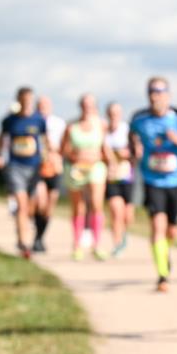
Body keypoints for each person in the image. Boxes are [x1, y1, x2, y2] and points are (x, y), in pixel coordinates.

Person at [130, 77, 177, 292]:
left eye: (160, 91)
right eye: (151, 91)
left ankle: (164, 253)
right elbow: (131, 140)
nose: (155, 95)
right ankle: (162, 275)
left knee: (173, 231)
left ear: (168, 94)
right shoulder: (139, 119)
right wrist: (135, 149)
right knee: (157, 226)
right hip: (152, 180)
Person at [0, 87, 49, 259]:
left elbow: (45, 142)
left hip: (34, 167)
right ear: (18, 100)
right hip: (15, 166)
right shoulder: (9, 121)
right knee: (22, 204)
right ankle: (23, 242)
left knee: (33, 207)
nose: (26, 104)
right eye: (23, 100)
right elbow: (1, 140)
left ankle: (24, 232)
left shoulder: (39, 120)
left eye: (29, 100)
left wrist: (49, 157)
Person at [61, 93, 112, 261]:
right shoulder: (71, 127)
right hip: (76, 168)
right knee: (78, 206)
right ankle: (77, 244)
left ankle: (96, 244)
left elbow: (105, 147)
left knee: (96, 203)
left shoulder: (101, 125)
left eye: (90, 104)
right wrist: (75, 155)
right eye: (84, 104)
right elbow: (63, 150)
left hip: (95, 167)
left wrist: (112, 163)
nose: (87, 107)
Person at [34, 95, 65, 252]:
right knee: (41, 202)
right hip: (37, 168)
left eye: (45, 105)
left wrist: (55, 149)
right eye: (39, 105)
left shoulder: (58, 124)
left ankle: (40, 237)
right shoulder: (32, 123)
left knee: (49, 207)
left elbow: (65, 146)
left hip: (55, 167)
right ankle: (37, 237)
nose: (42, 108)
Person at [104, 101, 135, 258]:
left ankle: (124, 235)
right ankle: (117, 244)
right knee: (116, 210)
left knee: (127, 214)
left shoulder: (127, 130)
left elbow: (137, 152)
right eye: (111, 113)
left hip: (127, 176)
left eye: (116, 112)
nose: (114, 115)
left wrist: (127, 154)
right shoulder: (104, 131)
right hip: (111, 177)